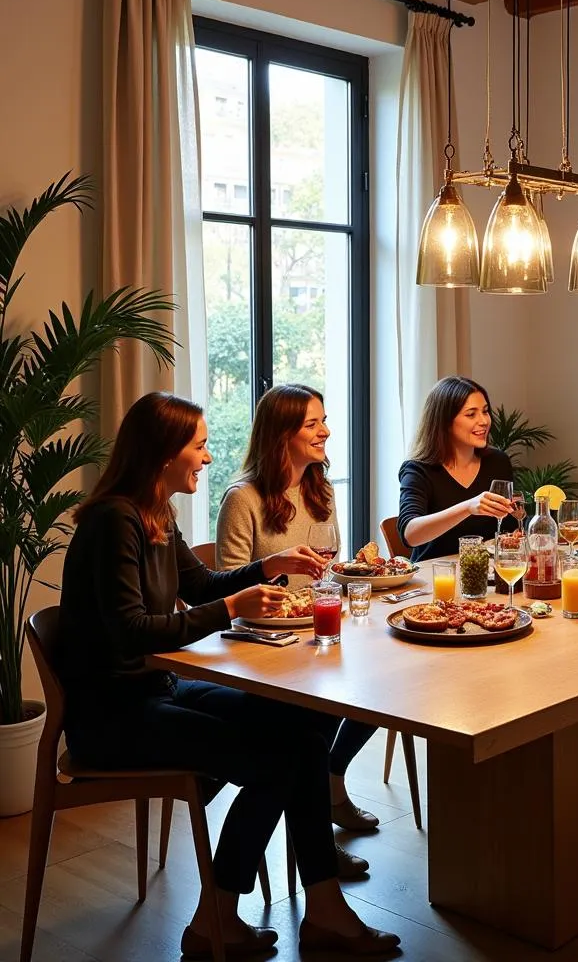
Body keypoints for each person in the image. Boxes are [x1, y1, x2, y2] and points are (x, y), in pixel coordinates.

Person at [55, 392, 400, 957]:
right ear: (165, 454)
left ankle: (324, 907)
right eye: (200, 445)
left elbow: (201, 587)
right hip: (112, 717)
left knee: (305, 727)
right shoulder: (115, 522)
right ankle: (216, 917)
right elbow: (134, 632)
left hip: (153, 691)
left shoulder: (154, 511)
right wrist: (236, 608)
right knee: (279, 760)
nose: (209, 457)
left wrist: (269, 567)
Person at [215, 384, 380, 857]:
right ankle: (318, 831)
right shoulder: (242, 498)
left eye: (323, 420)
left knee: (380, 684)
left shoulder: (319, 488)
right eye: (313, 424)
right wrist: (282, 578)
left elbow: (332, 569)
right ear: (280, 433)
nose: (326, 431)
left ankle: (329, 782)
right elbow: (228, 588)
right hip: (261, 647)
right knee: (311, 716)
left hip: (315, 632)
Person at [398, 375, 514, 562]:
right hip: (436, 578)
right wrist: (468, 507)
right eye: (471, 414)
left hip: (487, 574)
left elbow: (510, 526)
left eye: (485, 411)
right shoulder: (418, 470)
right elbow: (410, 534)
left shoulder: (498, 462)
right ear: (444, 421)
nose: (484, 421)